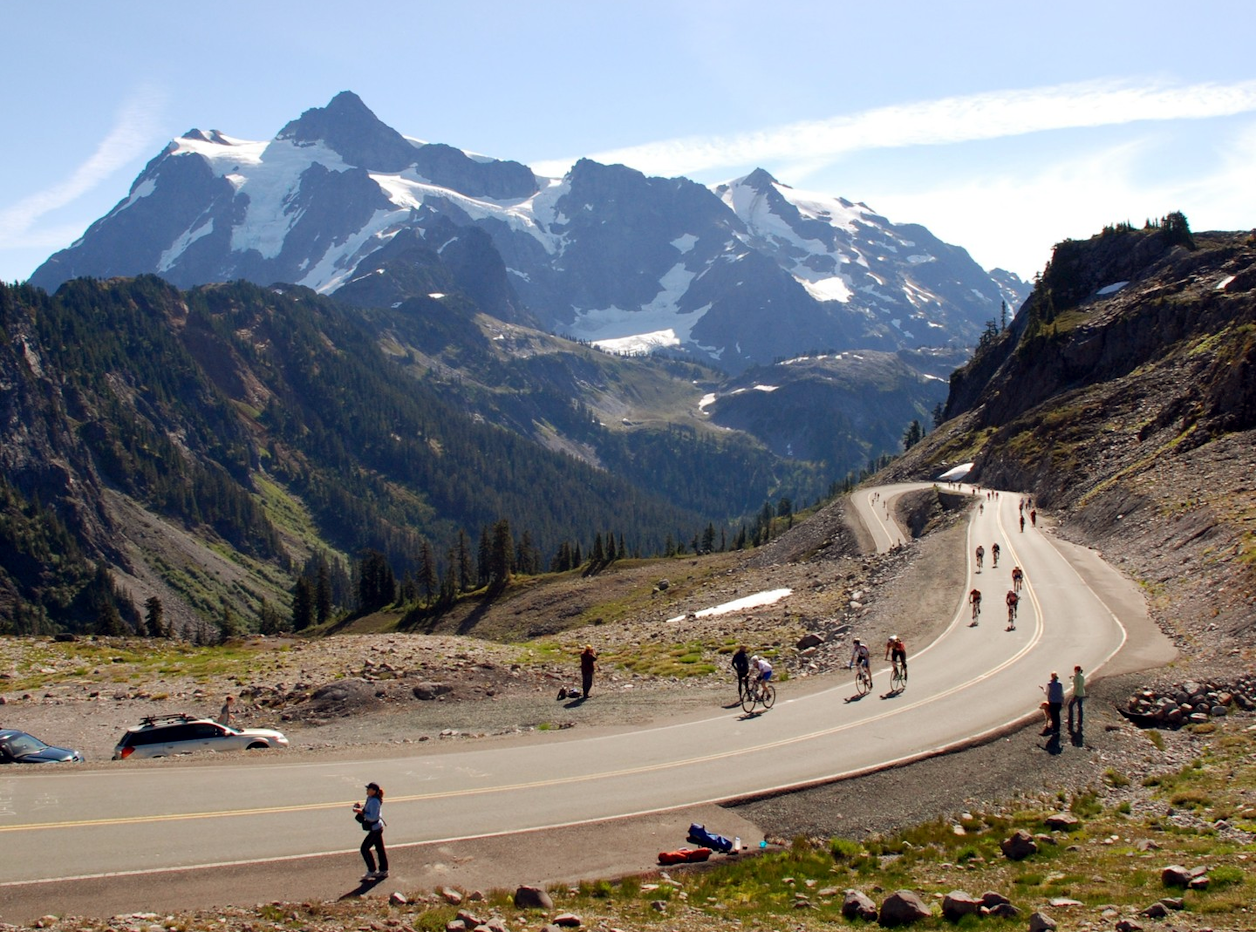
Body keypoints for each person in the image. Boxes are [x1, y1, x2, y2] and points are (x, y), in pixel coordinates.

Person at [353, 782, 388, 881]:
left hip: (375, 829)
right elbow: (368, 809)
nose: (367, 790)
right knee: (380, 849)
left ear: (374, 791)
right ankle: (384, 870)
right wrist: (361, 808)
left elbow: (373, 817)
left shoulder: (374, 802)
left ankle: (371, 870)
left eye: (368, 789)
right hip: (377, 828)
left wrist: (361, 812)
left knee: (364, 849)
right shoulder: (371, 799)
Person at [1068, 664, 1087, 732]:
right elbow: (1078, 678)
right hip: (1082, 693)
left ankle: (1070, 721)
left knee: (1070, 706)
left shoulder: (1076, 678)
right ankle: (1080, 722)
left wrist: (1073, 696)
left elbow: (1076, 687)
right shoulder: (1081, 676)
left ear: (1076, 670)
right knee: (1080, 708)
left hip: (1077, 694)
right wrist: (1073, 676)